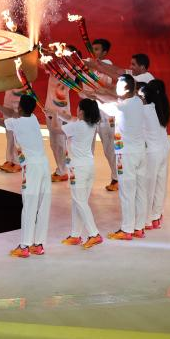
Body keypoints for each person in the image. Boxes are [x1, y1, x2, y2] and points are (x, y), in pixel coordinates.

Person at [0, 95, 50, 258]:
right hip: (44, 165)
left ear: (20, 107)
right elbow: (12, 113)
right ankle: (38, 245)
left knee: (29, 206)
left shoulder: (16, 123)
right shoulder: (33, 118)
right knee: (42, 206)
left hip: (32, 168)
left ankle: (24, 246)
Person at [94, 74, 148, 240]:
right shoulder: (138, 102)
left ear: (125, 88)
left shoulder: (122, 107)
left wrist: (94, 96)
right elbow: (112, 101)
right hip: (140, 153)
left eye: (118, 84)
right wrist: (98, 94)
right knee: (140, 191)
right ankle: (139, 227)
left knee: (127, 193)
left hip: (126, 155)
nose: (115, 87)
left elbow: (107, 106)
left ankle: (127, 230)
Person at [59, 98, 103, 249]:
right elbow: (71, 119)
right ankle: (75, 235)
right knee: (79, 201)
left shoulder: (77, 126)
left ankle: (94, 234)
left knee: (80, 201)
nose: (76, 111)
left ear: (82, 112)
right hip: (88, 167)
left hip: (77, 169)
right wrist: (59, 115)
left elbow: (57, 131)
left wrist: (52, 118)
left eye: (78, 108)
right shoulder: (91, 124)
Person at [86, 38, 119, 191]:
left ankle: (117, 178)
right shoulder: (87, 63)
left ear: (105, 52)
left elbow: (109, 84)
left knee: (109, 147)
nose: (93, 52)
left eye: (97, 49)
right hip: (88, 110)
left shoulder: (107, 64)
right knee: (86, 147)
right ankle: (86, 177)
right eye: (92, 49)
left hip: (105, 111)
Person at [141, 80, 170, 230]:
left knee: (148, 185)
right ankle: (156, 216)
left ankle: (146, 219)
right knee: (160, 183)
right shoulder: (163, 105)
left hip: (153, 151)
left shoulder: (146, 109)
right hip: (165, 147)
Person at [42, 55, 74, 183]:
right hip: (50, 110)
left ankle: (63, 171)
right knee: (54, 144)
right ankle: (60, 169)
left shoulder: (71, 72)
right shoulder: (54, 68)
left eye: (68, 55)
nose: (64, 57)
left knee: (60, 143)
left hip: (61, 113)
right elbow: (41, 64)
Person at [0, 88, 25, 173]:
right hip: (9, 91)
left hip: (20, 93)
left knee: (18, 133)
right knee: (9, 131)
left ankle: (18, 162)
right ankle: (10, 160)